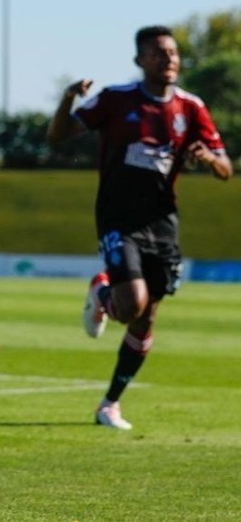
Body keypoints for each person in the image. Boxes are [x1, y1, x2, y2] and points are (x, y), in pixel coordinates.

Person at [47, 24, 232, 431]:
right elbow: (58, 135)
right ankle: (103, 290)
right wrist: (67, 99)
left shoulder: (191, 108)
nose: (169, 59)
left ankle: (109, 404)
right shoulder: (116, 100)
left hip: (163, 224)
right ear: (139, 60)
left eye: (173, 53)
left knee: (145, 319)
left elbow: (225, 169)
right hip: (118, 217)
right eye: (158, 53)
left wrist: (208, 160)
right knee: (131, 304)